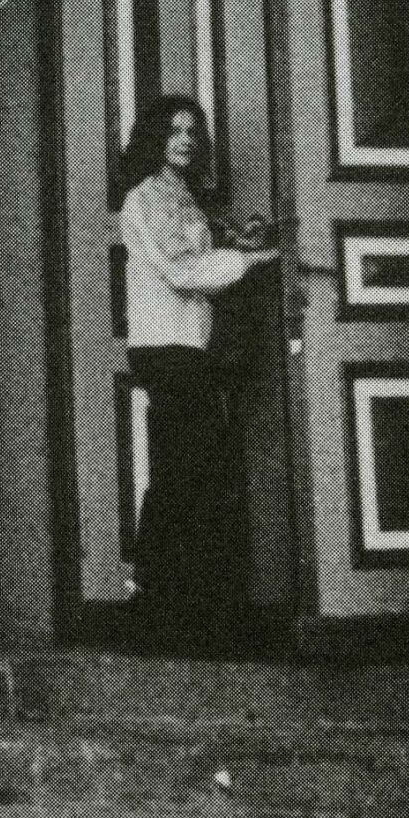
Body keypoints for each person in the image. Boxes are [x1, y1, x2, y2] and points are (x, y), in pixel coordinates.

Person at [116, 92, 276, 653]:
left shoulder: (184, 196)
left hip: (189, 348)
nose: (184, 141)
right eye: (174, 131)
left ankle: (175, 601)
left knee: (190, 471)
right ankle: (154, 600)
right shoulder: (143, 198)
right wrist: (247, 263)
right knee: (184, 472)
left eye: (192, 132)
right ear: (155, 138)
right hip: (167, 349)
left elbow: (198, 255)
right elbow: (179, 271)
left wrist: (237, 244)